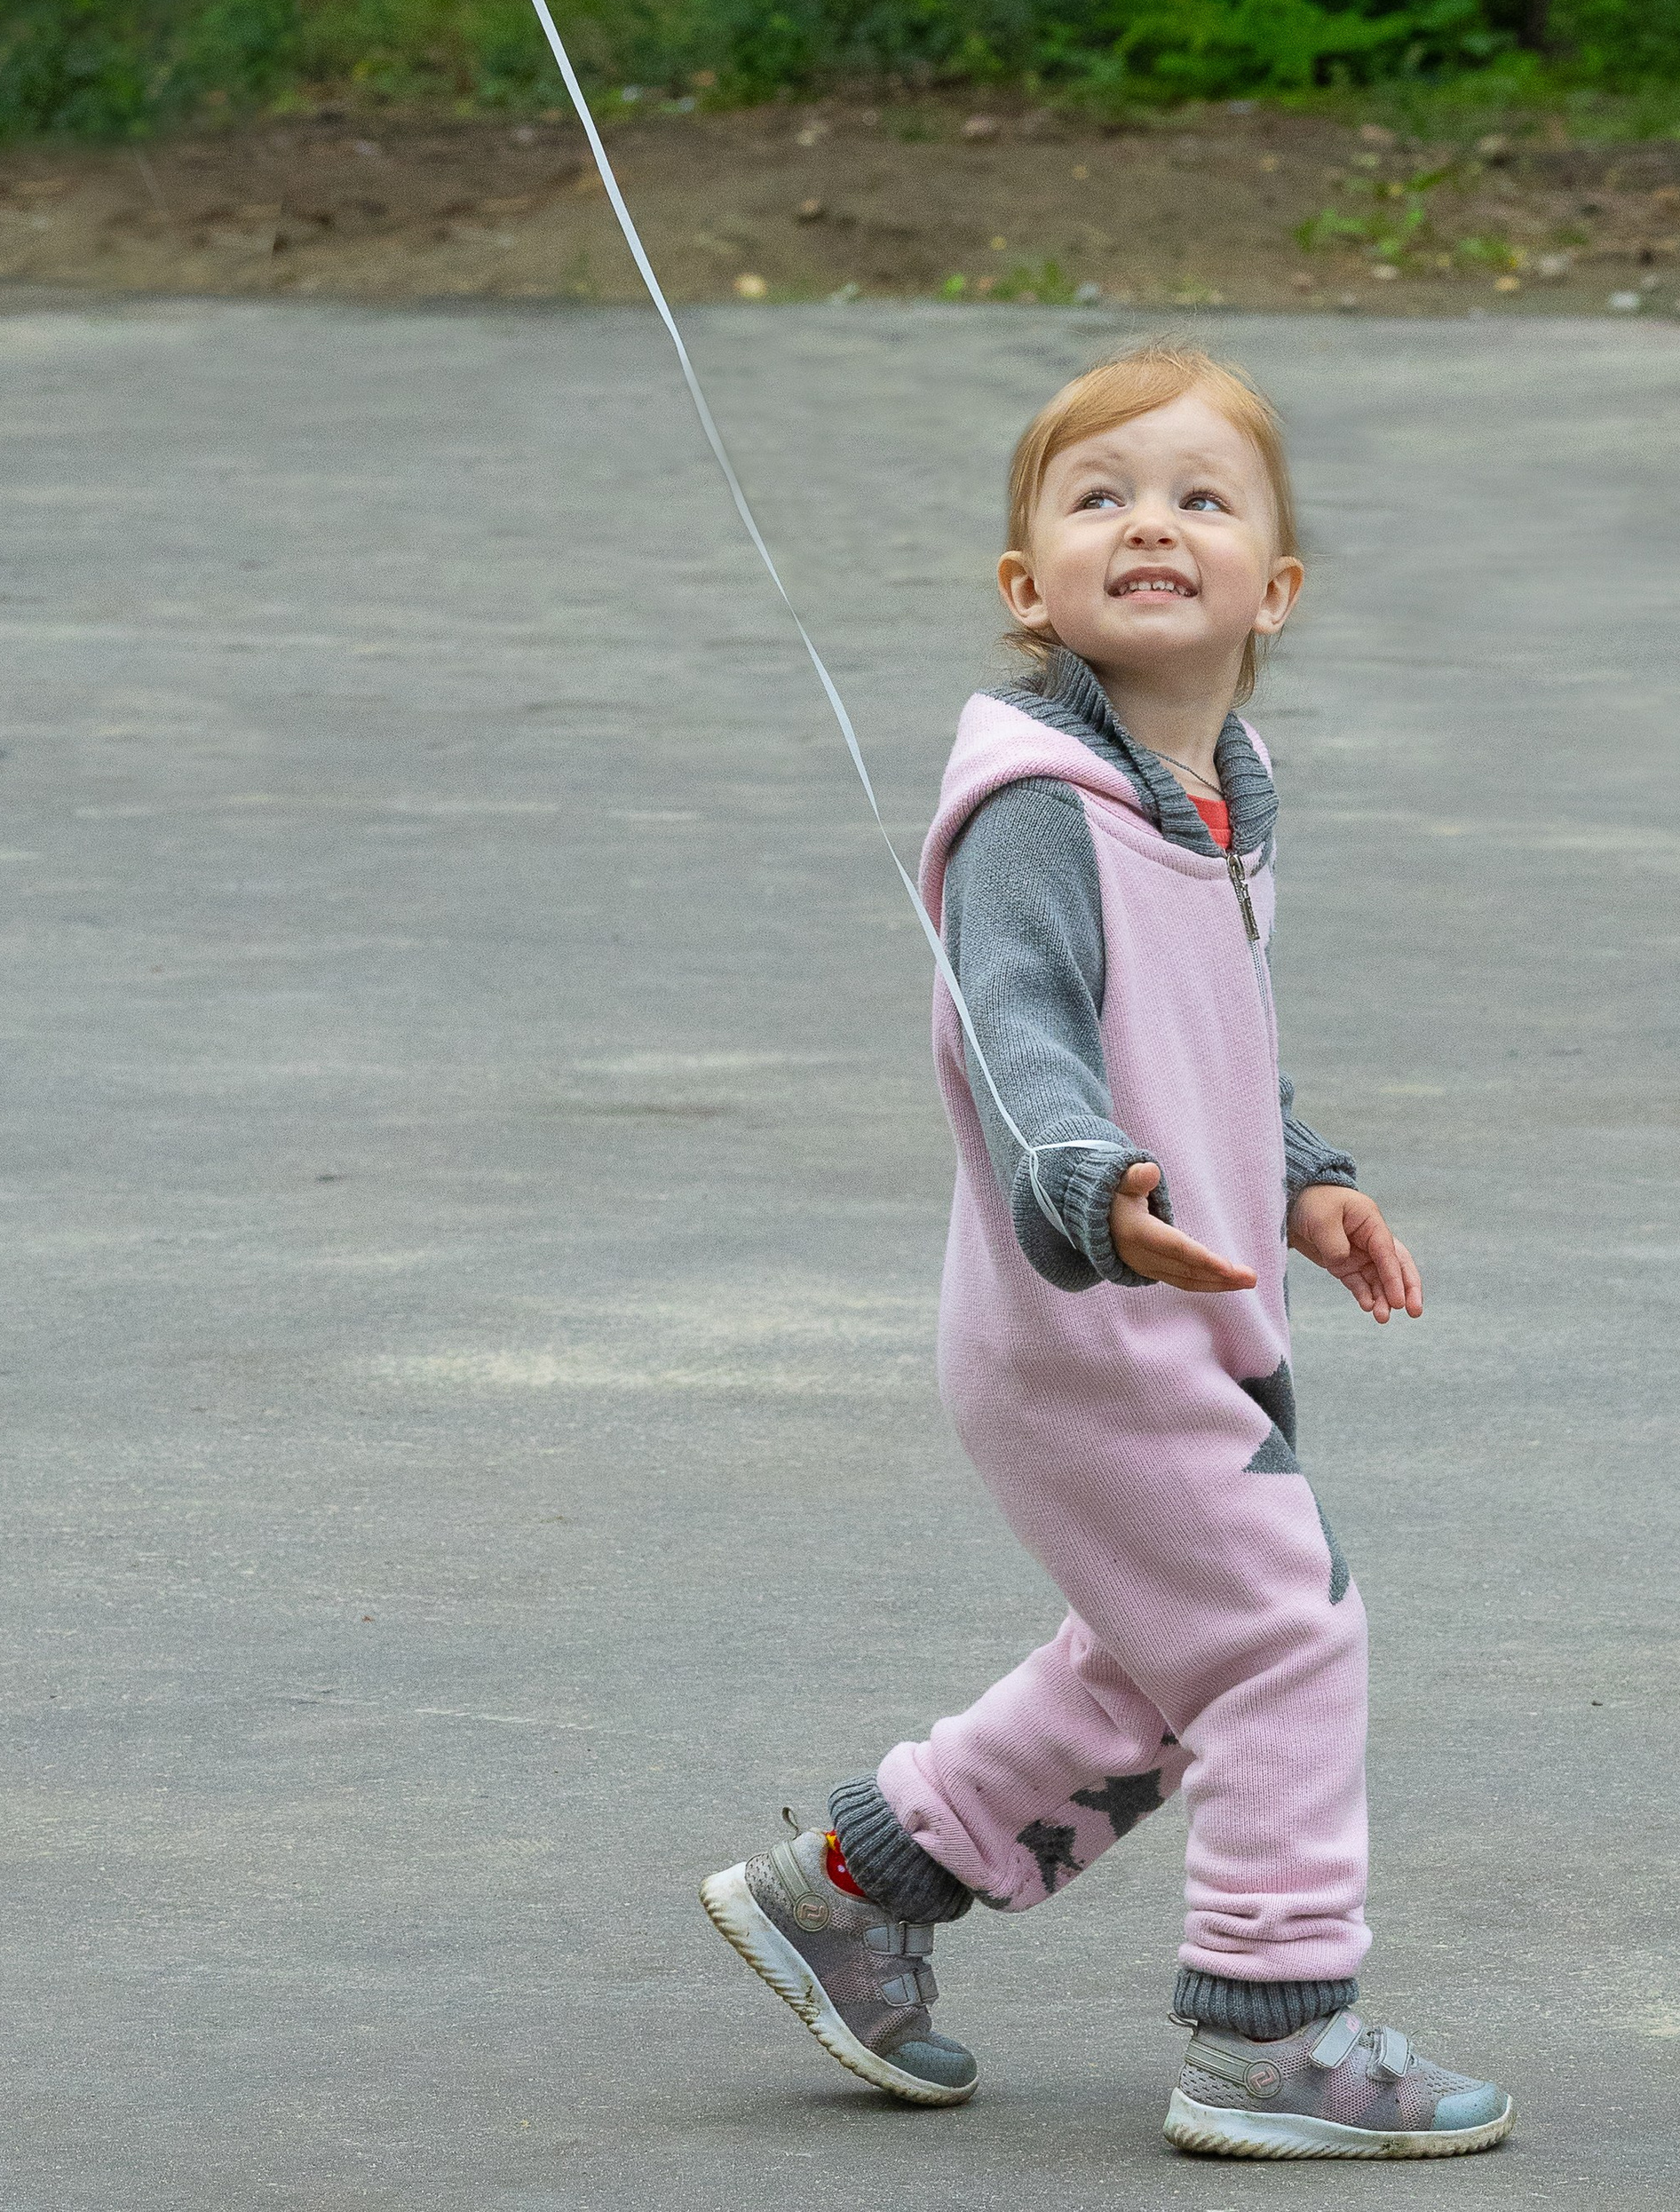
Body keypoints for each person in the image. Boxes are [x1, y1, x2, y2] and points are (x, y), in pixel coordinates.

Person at [702, 343, 1513, 2162]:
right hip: (1080, 1306)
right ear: (1026, 586)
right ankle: (1269, 2031)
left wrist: (1298, 1172)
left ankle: (850, 1888)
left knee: (1160, 1658)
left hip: (1161, 1295)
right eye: (1097, 497)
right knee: (1285, 1635)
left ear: (1272, 588)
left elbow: (1213, 1022)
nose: (1148, 520)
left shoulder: (1211, 785)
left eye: (1198, 497)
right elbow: (1026, 1032)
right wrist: (1096, 1178)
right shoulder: (1035, 808)